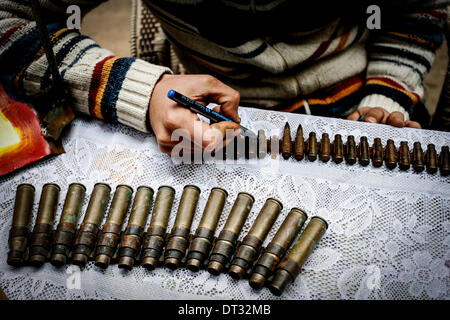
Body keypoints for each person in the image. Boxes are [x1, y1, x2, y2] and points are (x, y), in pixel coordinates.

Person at [0, 1, 448, 155]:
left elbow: (418, 9)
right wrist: (139, 89)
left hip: (368, 94)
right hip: (204, 111)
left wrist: (389, 95)